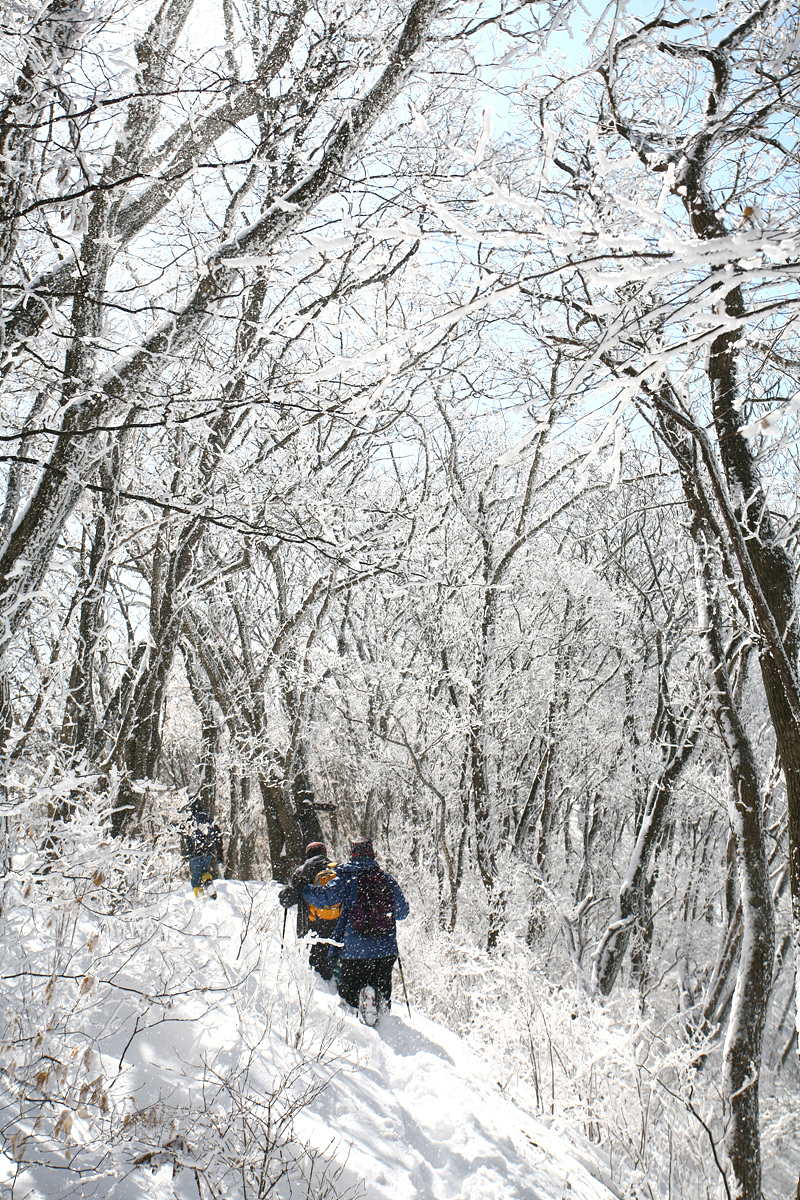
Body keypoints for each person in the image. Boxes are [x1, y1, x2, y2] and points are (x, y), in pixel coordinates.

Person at [302, 838, 408, 1022]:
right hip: (385, 951)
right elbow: (402, 912)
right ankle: (385, 1029)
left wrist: (304, 889)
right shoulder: (386, 879)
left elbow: (325, 898)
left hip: (354, 950)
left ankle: (359, 1036)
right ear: (372, 853)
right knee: (383, 1000)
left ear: (353, 853)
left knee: (349, 998)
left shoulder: (346, 877)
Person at [278, 842, 341, 981]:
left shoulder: (301, 871)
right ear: (324, 853)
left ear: (307, 854)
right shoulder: (336, 868)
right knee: (335, 968)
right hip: (337, 927)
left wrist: (284, 894)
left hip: (311, 928)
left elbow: (288, 900)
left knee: (315, 972)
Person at [180, 798, 224, 898]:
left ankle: (201, 899)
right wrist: (219, 854)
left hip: (195, 853)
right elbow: (217, 833)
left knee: (196, 881)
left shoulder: (190, 819)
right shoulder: (207, 817)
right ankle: (208, 883)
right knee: (205, 871)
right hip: (207, 852)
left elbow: (184, 833)